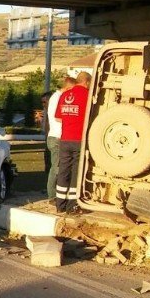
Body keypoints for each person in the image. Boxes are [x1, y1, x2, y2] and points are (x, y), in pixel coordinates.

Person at [54, 72, 91, 213]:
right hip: (79, 139)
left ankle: (60, 205)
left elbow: (58, 118)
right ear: (86, 82)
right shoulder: (87, 96)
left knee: (63, 171)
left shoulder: (64, 95)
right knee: (76, 172)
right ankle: (72, 205)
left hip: (65, 139)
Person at [44, 82, 64, 201]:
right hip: (56, 137)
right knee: (56, 167)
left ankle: (53, 193)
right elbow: (58, 117)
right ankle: (52, 195)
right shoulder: (57, 98)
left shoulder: (55, 98)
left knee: (55, 167)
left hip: (54, 137)